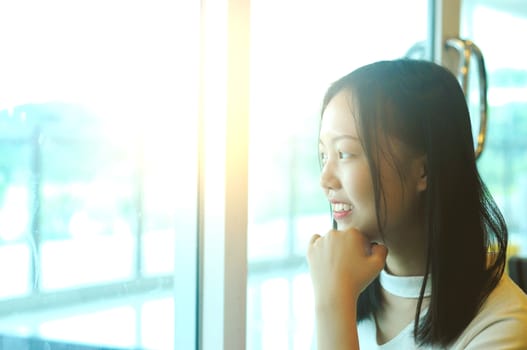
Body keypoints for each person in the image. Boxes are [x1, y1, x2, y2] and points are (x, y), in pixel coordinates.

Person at [307, 59, 527, 349]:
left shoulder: (502, 324)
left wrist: (333, 303)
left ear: (423, 170)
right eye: (324, 156)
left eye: (345, 153)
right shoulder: (346, 284)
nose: (325, 179)